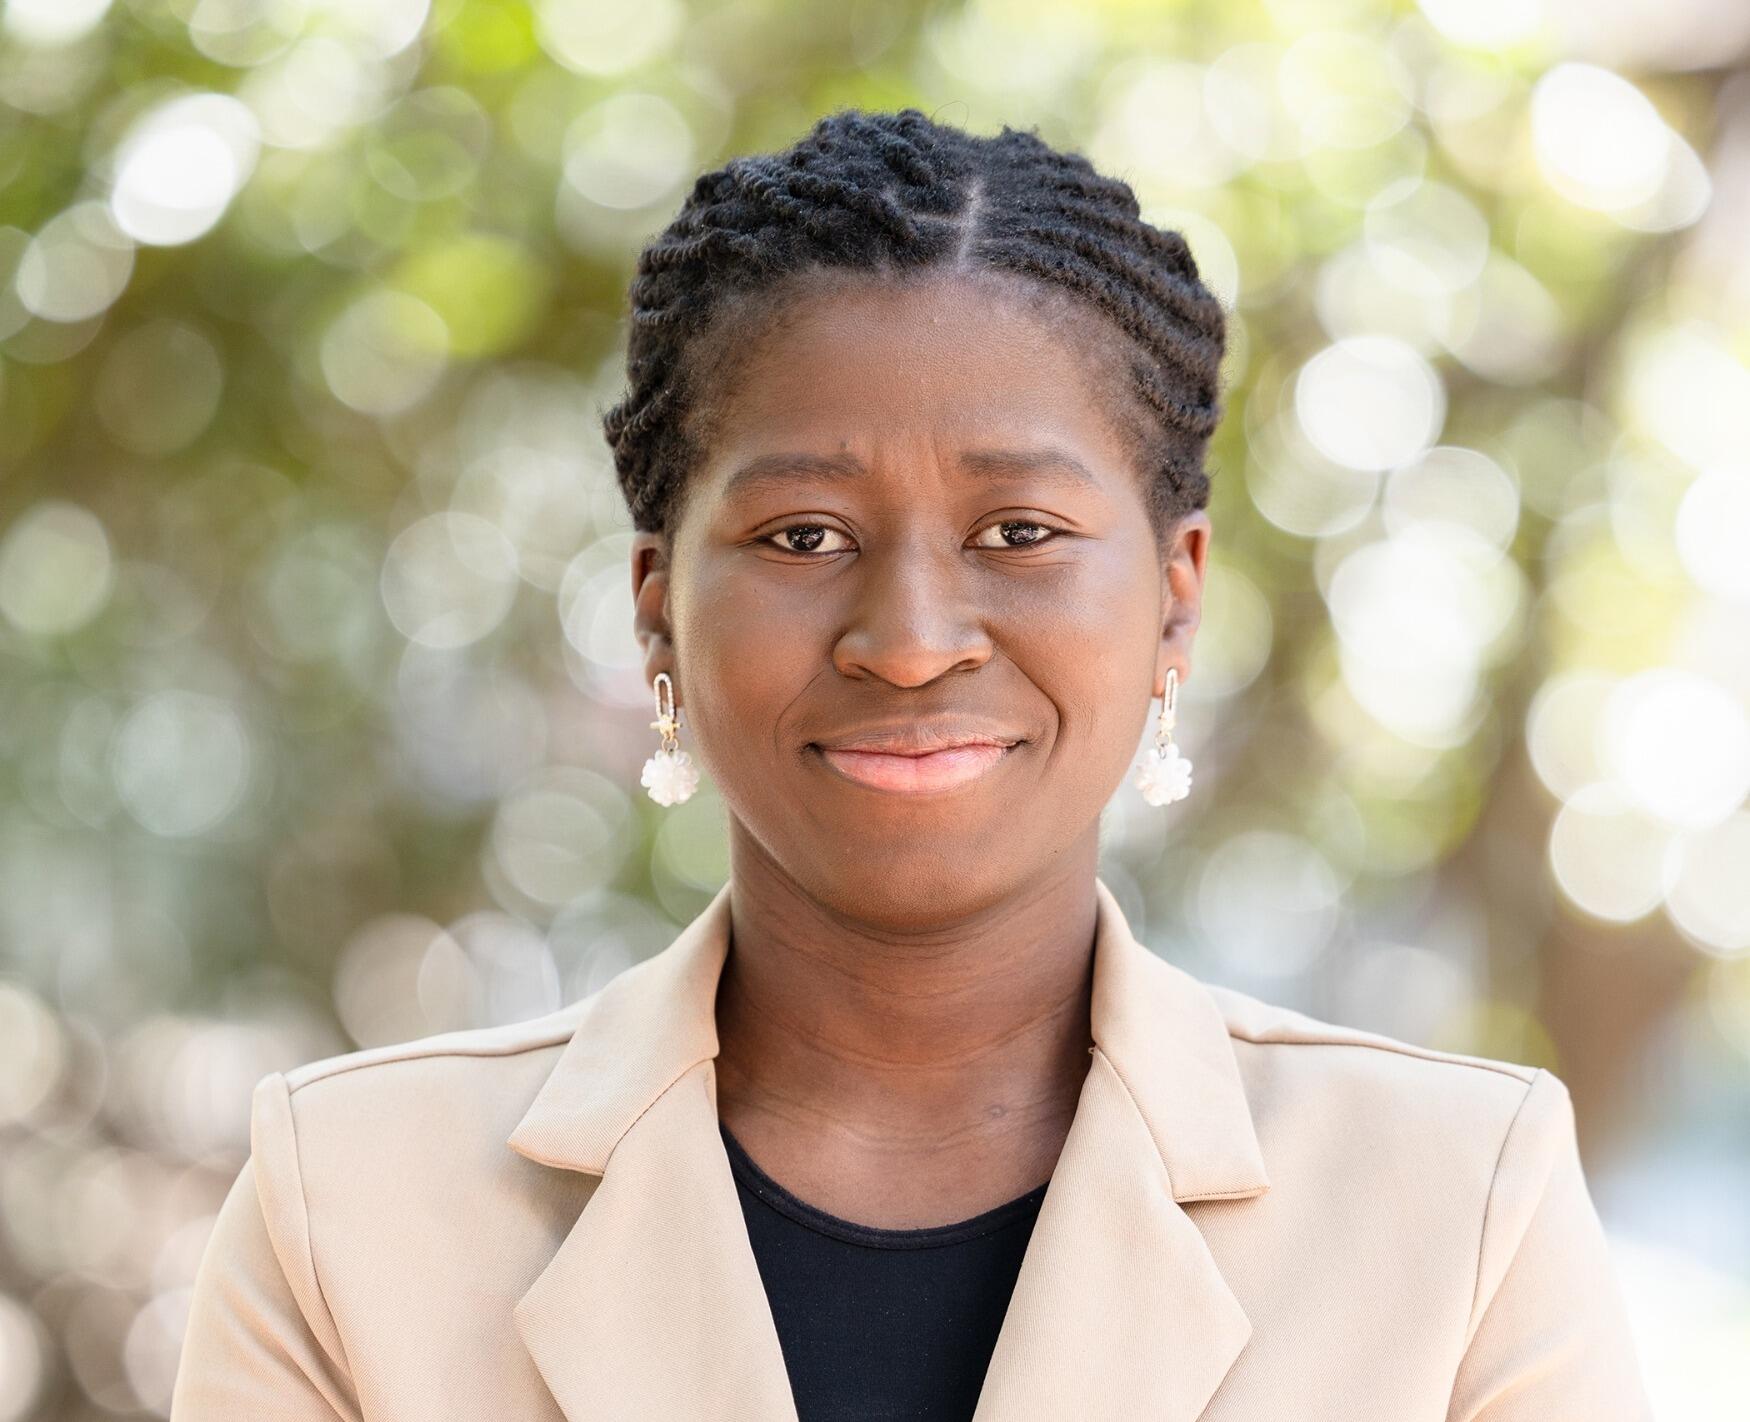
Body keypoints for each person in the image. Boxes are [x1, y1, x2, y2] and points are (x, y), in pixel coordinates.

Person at [170, 107, 1654, 1421]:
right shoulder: (350, 1206)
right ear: (656, 608)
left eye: (1018, 532)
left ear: (1176, 594)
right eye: (802, 536)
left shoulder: (1457, 1202)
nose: (909, 638)